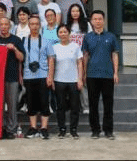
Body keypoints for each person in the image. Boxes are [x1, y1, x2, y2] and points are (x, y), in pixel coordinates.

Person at [82, 10, 120, 140]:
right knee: (93, 104)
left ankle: (108, 130)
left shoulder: (111, 36)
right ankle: (95, 130)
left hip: (107, 74)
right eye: (95, 19)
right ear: (91, 21)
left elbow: (114, 55)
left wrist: (115, 72)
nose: (97, 21)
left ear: (103, 21)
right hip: (92, 75)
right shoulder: (87, 37)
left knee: (108, 104)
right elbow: (85, 55)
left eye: (100, 19)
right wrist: (84, 73)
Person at [0, 16, 25, 140]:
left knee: (12, 105)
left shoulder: (16, 40)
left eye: (6, 24)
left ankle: (11, 129)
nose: (4, 27)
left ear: (9, 26)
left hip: (12, 76)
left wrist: (14, 49)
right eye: (1, 24)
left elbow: (21, 57)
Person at [22, 15, 54, 140]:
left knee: (44, 102)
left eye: (36, 24)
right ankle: (33, 127)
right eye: (32, 24)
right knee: (31, 103)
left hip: (43, 75)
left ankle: (44, 128)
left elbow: (51, 59)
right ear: (28, 25)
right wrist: (21, 75)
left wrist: (50, 76)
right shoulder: (23, 40)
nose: (34, 26)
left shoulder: (46, 41)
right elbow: (21, 60)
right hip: (28, 75)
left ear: (40, 25)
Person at [51, 24, 83, 139]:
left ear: (69, 33)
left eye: (65, 32)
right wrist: (51, 79)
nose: (63, 34)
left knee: (75, 106)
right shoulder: (54, 47)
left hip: (73, 80)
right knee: (60, 107)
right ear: (58, 34)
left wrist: (80, 79)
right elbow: (52, 64)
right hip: (59, 80)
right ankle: (62, 129)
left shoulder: (75, 46)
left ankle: (73, 129)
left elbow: (79, 63)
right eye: (61, 32)